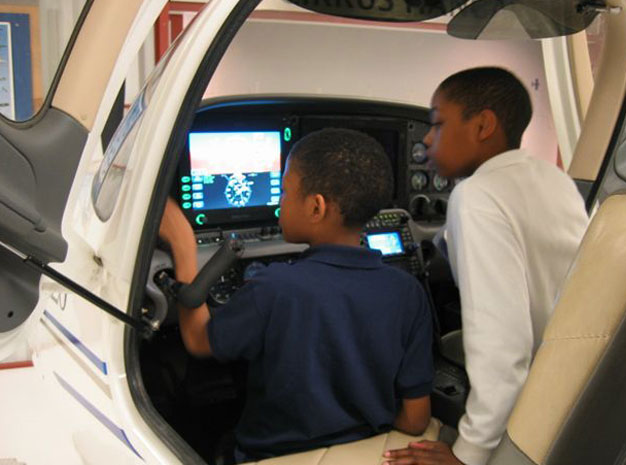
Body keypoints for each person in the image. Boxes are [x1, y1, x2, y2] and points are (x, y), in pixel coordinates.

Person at [159, 128, 435, 463]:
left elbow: (199, 342)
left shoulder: (272, 288)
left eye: (285, 191)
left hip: (269, 454)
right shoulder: (408, 292)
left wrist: (183, 245)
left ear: (316, 207)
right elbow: (416, 419)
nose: (279, 202)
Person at [383, 67, 589, 465]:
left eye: (438, 124)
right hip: (574, 376)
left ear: (483, 125)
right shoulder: (551, 177)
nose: (426, 139)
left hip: (536, 401)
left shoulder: (477, 196)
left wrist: (468, 453)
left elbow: (501, 342)